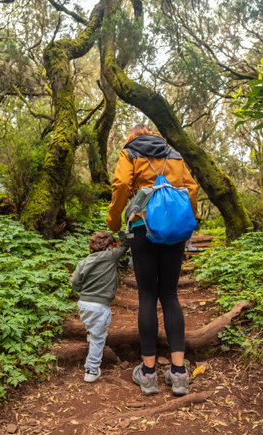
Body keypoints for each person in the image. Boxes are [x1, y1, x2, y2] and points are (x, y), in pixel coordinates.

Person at [107, 124, 198, 396]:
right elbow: (191, 189)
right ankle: (179, 373)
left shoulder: (130, 153)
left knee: (147, 295)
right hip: (173, 231)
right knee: (170, 295)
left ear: (133, 137)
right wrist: (186, 222)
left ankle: (148, 374)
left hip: (142, 228)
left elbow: (122, 184)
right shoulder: (175, 155)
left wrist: (114, 221)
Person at [71, 231, 129, 383]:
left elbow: (75, 282)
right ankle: (91, 369)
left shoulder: (83, 262)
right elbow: (125, 245)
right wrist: (124, 233)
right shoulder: (110, 256)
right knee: (99, 338)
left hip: (84, 303)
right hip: (100, 305)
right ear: (110, 246)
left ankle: (91, 332)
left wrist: (81, 291)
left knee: (92, 325)